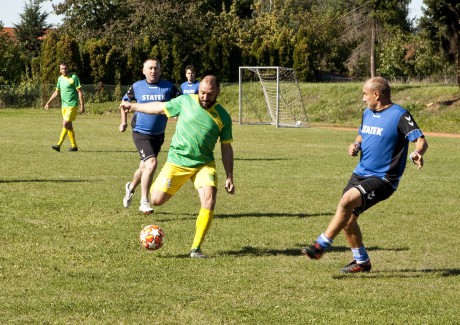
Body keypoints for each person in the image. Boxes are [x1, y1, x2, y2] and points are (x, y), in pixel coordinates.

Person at [301, 77, 428, 273]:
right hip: (360, 173)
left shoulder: (399, 115)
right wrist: (356, 145)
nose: (363, 98)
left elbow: (420, 140)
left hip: (383, 178)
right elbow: (362, 134)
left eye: (364, 94)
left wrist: (418, 152)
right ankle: (362, 262)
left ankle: (320, 245)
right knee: (348, 220)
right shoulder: (367, 113)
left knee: (347, 200)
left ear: (376, 94)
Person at [120, 75, 235, 258]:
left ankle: (196, 249)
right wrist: (133, 106)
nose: (205, 97)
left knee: (209, 200)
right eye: (202, 93)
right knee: (156, 200)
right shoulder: (185, 101)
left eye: (209, 94)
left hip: (203, 165)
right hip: (177, 163)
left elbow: (226, 147)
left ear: (218, 93)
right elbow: (159, 107)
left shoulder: (223, 116)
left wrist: (229, 176)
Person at [119, 58, 180, 214]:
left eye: (156, 68)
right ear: (144, 70)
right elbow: (124, 103)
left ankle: (130, 187)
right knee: (151, 163)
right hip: (140, 133)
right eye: (150, 68)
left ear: (160, 70)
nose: (153, 71)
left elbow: (182, 104)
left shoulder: (169, 88)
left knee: (144, 167)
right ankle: (144, 202)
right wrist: (123, 122)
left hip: (158, 135)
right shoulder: (137, 86)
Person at [44, 62, 85, 152]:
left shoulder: (74, 77)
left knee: (65, 124)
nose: (64, 70)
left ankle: (58, 145)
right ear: (60, 70)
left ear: (68, 68)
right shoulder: (60, 79)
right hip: (64, 106)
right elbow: (56, 92)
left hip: (72, 105)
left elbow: (79, 92)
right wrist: (48, 103)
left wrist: (82, 105)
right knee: (69, 126)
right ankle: (74, 146)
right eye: (62, 68)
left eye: (65, 68)